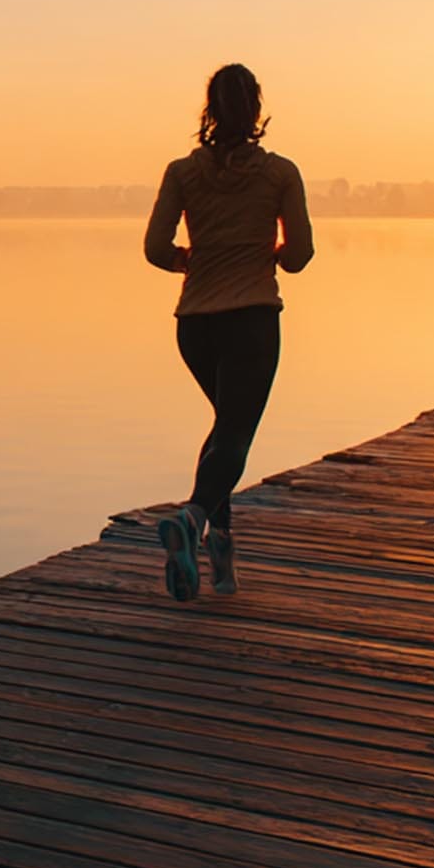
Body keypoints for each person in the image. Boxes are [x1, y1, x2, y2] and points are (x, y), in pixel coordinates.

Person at [143, 64, 313, 601]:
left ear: (209, 110)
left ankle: (221, 560)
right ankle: (191, 521)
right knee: (236, 436)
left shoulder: (180, 172)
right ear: (257, 108)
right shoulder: (280, 173)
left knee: (223, 432)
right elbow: (301, 257)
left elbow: (154, 248)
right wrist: (273, 253)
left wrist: (187, 261)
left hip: (194, 326)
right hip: (252, 322)